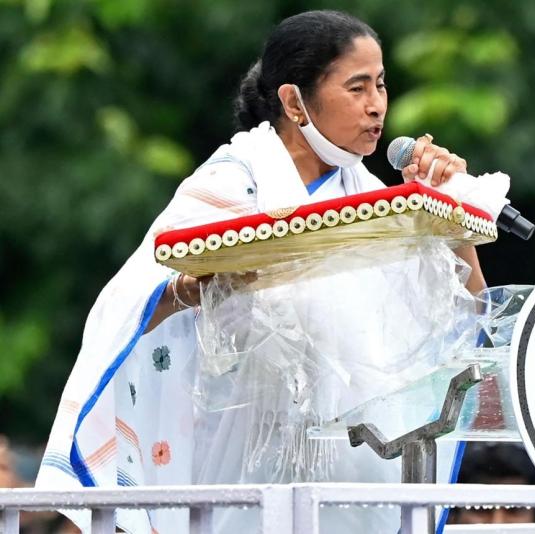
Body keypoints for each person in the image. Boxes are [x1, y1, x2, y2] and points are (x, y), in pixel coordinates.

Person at [36, 10, 486, 534]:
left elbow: (470, 313)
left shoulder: (376, 201)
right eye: (357, 87)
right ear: (294, 102)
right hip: (245, 475)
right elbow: (122, 308)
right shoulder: (233, 185)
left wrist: (449, 212)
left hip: (358, 480)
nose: (376, 104)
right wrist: (194, 288)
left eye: (381, 85)